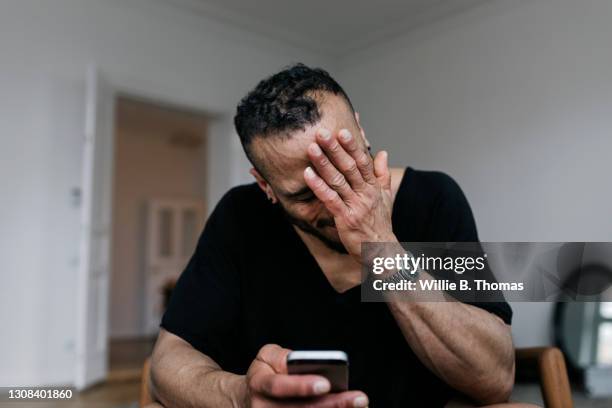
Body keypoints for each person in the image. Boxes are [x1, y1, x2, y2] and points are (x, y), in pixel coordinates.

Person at [149, 64, 518, 407]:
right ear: (266, 186)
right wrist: (241, 396)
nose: (339, 204)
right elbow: (168, 360)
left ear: (361, 131)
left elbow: (495, 377)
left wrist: (383, 248)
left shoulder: (432, 198)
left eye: (349, 167)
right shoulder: (240, 215)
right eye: (307, 195)